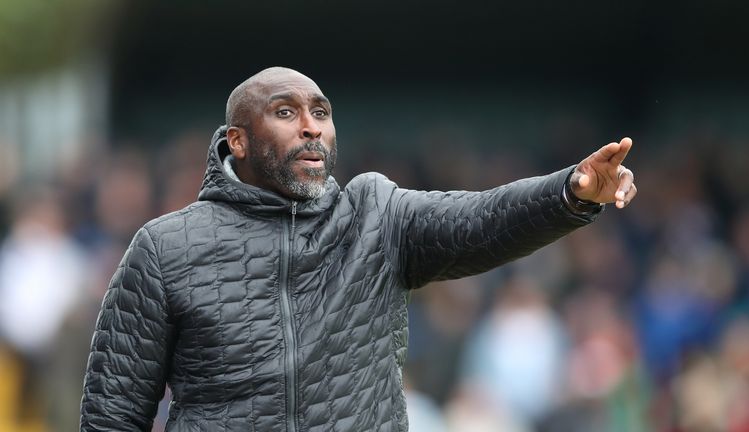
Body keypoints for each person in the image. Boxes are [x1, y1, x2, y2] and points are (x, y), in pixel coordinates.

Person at [80, 66, 637, 432]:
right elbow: (112, 413)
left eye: (320, 112)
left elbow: (481, 220)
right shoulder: (165, 248)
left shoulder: (376, 214)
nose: (311, 128)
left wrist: (570, 192)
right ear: (237, 141)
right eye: (285, 112)